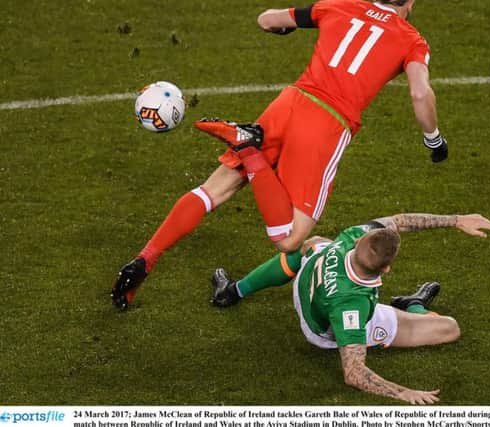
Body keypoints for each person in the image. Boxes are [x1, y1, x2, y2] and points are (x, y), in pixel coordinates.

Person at [112, 0, 449, 310]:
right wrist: (433, 140)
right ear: (410, 2)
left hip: (287, 105)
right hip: (326, 125)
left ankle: (146, 257)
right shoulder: (411, 40)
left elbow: (267, 19)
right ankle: (247, 147)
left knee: (212, 190)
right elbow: (420, 94)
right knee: (291, 239)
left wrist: (284, 27)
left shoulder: (341, 6)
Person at [213, 212, 490, 404]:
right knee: (449, 328)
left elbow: (400, 220)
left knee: (315, 243)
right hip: (320, 329)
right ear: (387, 269)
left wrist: (456, 220)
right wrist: (405, 393)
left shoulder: (351, 236)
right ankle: (412, 306)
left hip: (305, 281)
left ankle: (234, 290)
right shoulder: (350, 306)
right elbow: (354, 373)